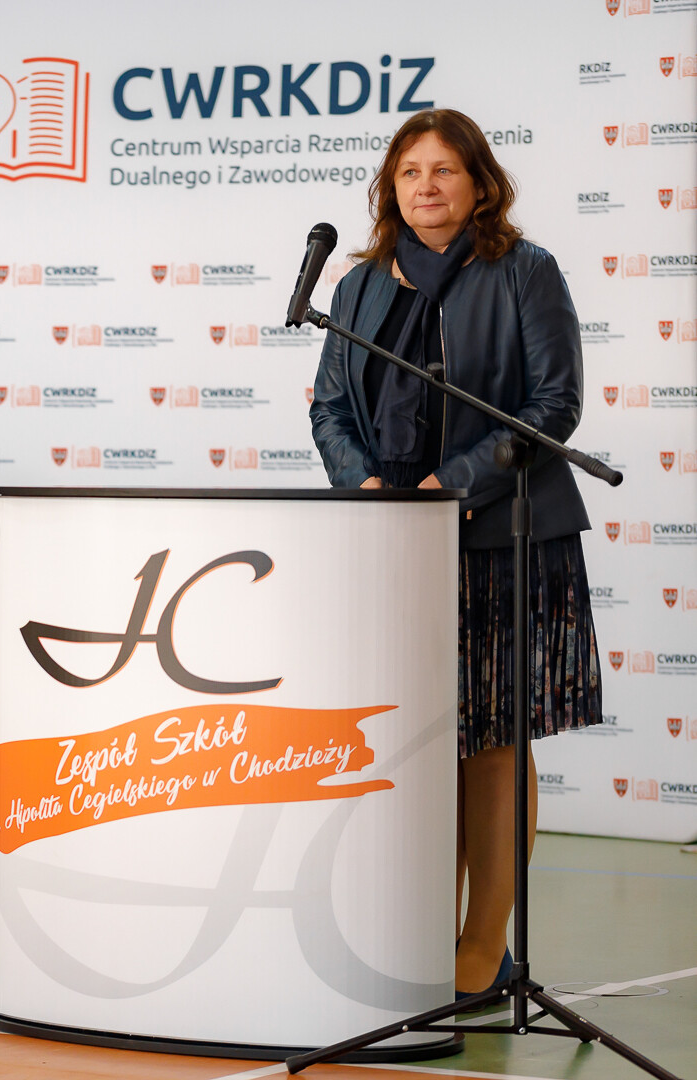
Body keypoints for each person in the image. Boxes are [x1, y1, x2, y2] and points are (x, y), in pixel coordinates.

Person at [310, 109, 602, 999]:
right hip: (395, 539)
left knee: (493, 740)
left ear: (480, 183)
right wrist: (364, 484)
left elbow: (553, 404)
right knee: (422, 744)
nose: (426, 186)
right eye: (410, 172)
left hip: (501, 533)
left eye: (444, 170)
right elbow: (330, 406)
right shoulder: (359, 286)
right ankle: (421, 929)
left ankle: (483, 948)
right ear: (389, 189)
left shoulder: (524, 270)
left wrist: (456, 485)